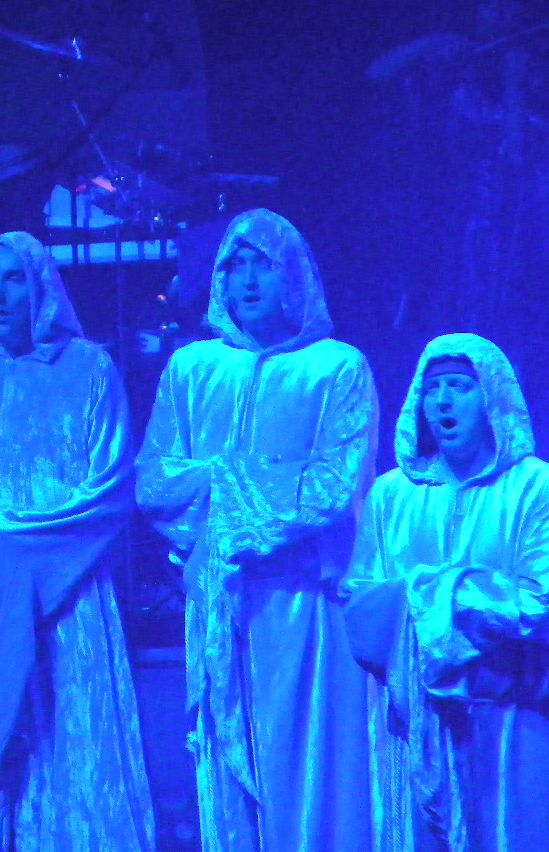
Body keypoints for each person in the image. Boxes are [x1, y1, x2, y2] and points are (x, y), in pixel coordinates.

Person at [136, 208, 379, 852]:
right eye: (234, 265)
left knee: (306, 772)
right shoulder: (192, 369)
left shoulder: (337, 369)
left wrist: (218, 481)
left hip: (305, 607)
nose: (246, 280)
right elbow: (154, 482)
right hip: (218, 601)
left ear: (293, 274)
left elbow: (333, 488)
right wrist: (261, 477)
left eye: (262, 265)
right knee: (228, 778)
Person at [0, 231, 155, 852]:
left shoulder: (88, 370)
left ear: (40, 288)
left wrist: (19, 542)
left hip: (66, 598)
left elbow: (110, 491)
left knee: (66, 741)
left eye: (13, 278)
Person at [342, 333, 549, 852]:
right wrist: (462, 601)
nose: (443, 400)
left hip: (518, 723)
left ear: (492, 398)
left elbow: (534, 604)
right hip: (419, 728)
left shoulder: (542, 490)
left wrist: (428, 593)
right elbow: (362, 608)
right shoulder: (391, 496)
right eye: (432, 388)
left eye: (460, 386)